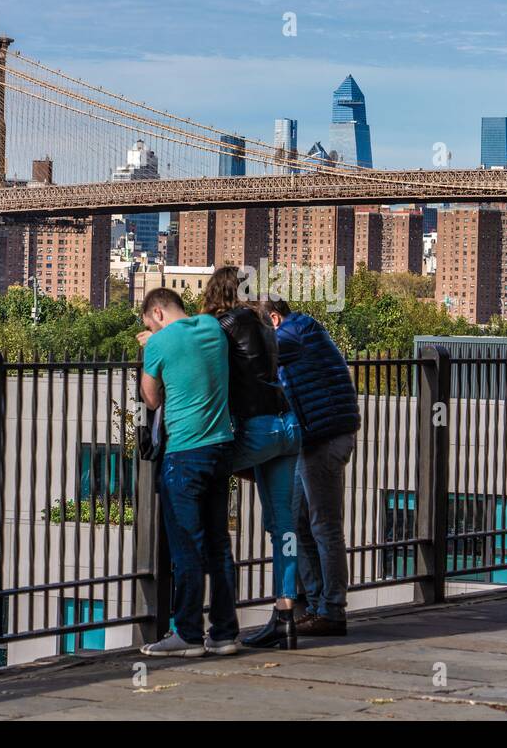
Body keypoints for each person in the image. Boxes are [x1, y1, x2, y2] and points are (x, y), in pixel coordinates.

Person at [202, 267, 303, 649]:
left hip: (257, 429)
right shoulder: (265, 321)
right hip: (288, 426)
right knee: (285, 528)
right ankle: (285, 613)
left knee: (196, 478)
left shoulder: (224, 324)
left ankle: (211, 618)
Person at [136, 287, 241, 657]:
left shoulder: (157, 345)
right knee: (218, 544)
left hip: (184, 452)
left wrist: (152, 347)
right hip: (221, 448)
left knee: (186, 546)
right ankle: (225, 632)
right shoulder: (213, 328)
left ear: (158, 315)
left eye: (150, 321)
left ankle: (188, 633)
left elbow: (150, 397)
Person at [264, 298, 360, 636]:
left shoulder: (294, 333)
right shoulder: (298, 333)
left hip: (325, 440)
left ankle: (332, 610)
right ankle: (318, 604)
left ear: (274, 318)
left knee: (324, 526)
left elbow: (259, 355)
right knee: (298, 521)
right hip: (316, 440)